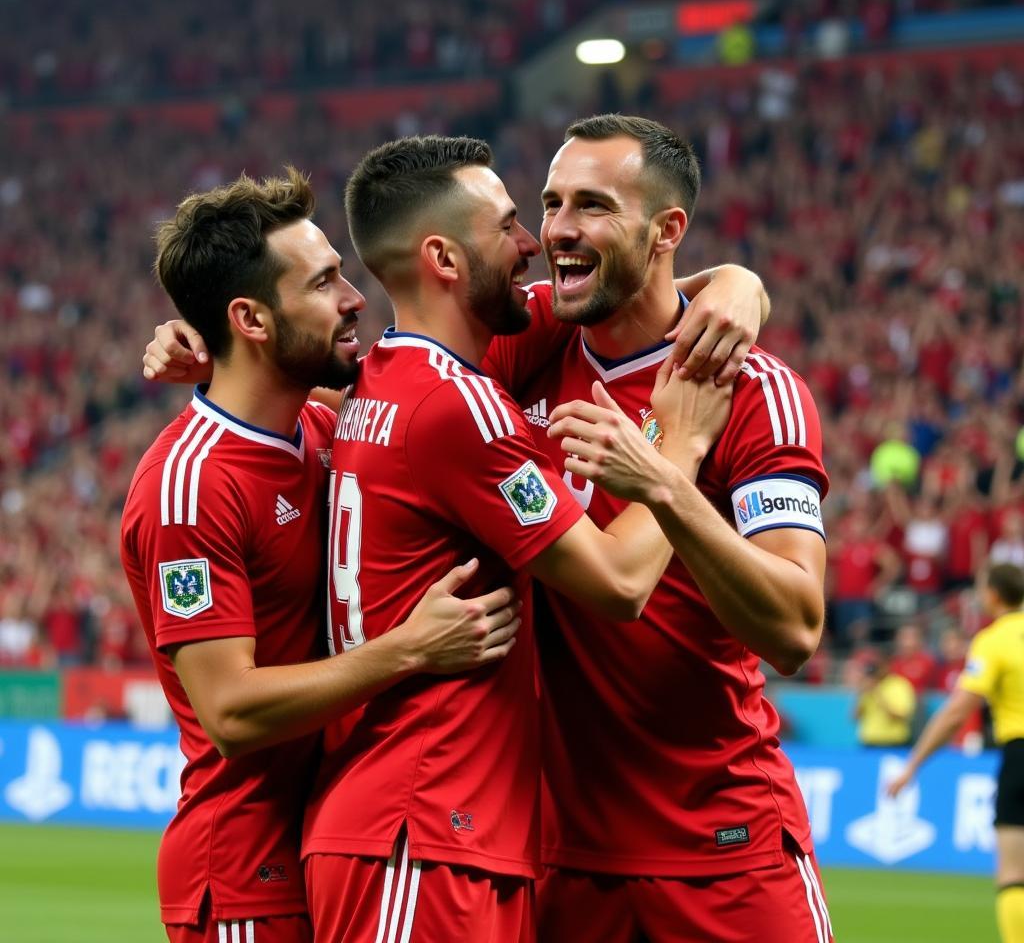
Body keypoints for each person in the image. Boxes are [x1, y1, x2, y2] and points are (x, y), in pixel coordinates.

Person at [301, 135, 736, 943]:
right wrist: (678, 447)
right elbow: (618, 584)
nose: (533, 242)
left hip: (443, 828)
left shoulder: (385, 382)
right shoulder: (458, 406)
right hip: (422, 826)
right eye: (509, 225)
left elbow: (646, 288)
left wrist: (742, 285)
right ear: (445, 258)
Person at [121, 168, 524, 943]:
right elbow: (230, 712)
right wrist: (406, 650)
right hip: (244, 870)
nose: (354, 299)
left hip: (329, 840)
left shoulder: (319, 428)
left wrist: (734, 285)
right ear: (252, 318)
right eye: (325, 283)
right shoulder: (189, 486)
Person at [485, 114, 832, 942]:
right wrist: (220, 359)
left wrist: (667, 487)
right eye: (553, 202)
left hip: (727, 851)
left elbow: (795, 627)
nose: (560, 229)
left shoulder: (750, 390)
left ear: (667, 229)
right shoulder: (525, 347)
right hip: (558, 861)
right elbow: (385, 389)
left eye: (594, 206)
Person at [887, 563, 1024, 943]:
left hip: (1020, 756)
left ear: (993, 595)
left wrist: (912, 766)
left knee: (1014, 873)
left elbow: (956, 712)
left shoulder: (992, 640)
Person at [851, 652, 916, 747]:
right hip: (868, 742)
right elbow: (854, 717)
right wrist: (860, 695)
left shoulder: (899, 685)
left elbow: (901, 716)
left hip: (894, 743)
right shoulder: (866, 687)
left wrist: (877, 694)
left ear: (886, 665)